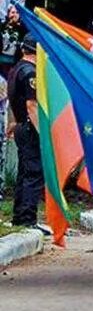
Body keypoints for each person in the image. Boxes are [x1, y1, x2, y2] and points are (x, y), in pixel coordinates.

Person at [5, 36, 40, 228]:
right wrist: (42, 133)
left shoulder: (16, 69)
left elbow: (13, 98)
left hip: (19, 125)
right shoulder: (30, 73)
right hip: (29, 127)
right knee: (33, 173)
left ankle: (19, 216)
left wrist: (12, 122)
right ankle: (28, 219)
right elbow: (32, 105)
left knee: (24, 172)